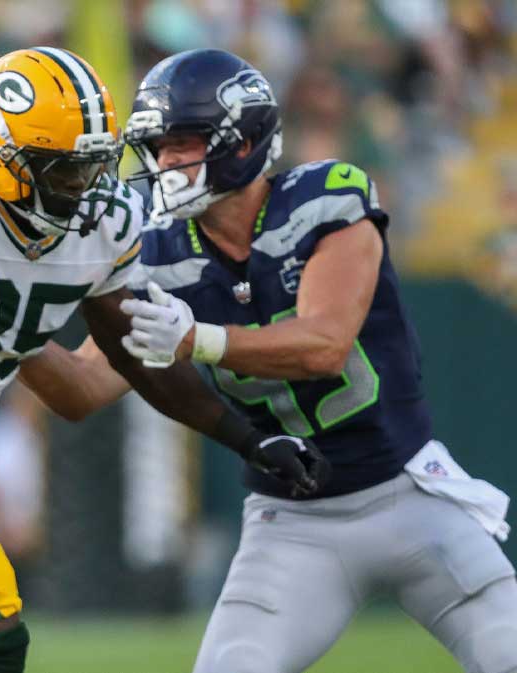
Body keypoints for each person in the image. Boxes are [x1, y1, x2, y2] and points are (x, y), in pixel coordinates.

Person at [0, 47, 330, 673]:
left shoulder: (107, 224)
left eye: (93, 167)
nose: (84, 189)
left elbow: (124, 363)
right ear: (2, 155)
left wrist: (248, 439)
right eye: (62, 171)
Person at [118, 48, 517, 673]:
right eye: (160, 146)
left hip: (410, 495)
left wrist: (200, 338)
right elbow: (85, 382)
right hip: (290, 524)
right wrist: (15, 317)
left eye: (183, 143)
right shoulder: (158, 253)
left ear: (242, 142)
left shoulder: (325, 198)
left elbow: (324, 344)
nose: (165, 161)